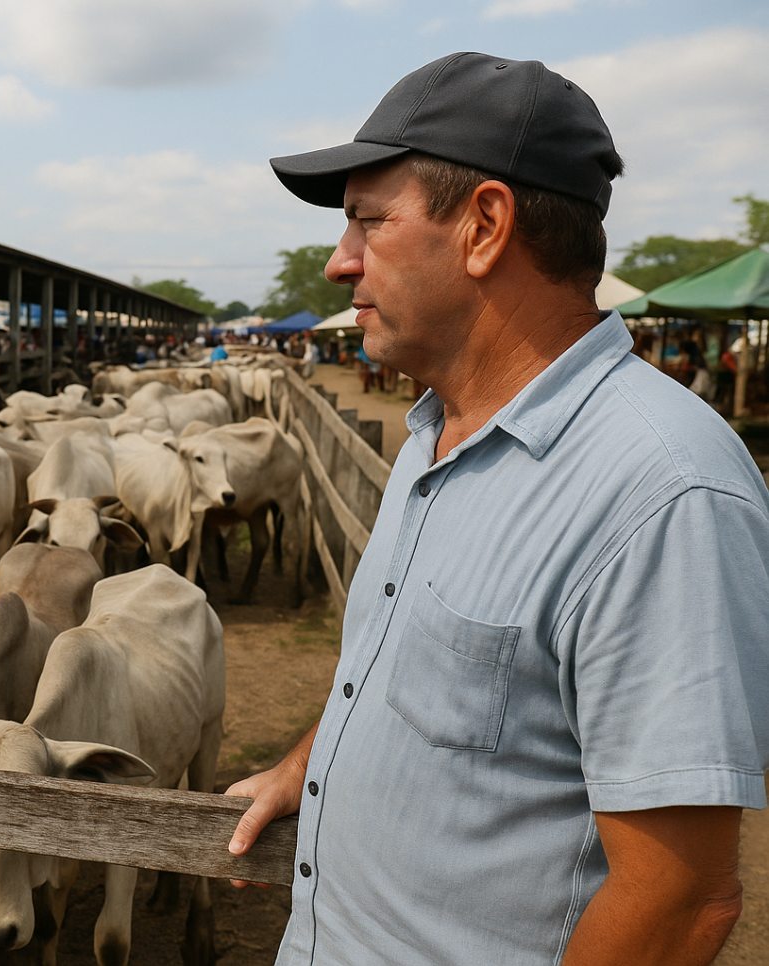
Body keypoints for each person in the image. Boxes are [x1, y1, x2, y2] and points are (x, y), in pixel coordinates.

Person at [225, 52, 769, 966]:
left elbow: (681, 899)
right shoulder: (440, 431)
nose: (337, 260)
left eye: (367, 220)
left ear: (484, 225)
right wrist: (310, 761)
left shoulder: (662, 489)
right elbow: (421, 667)